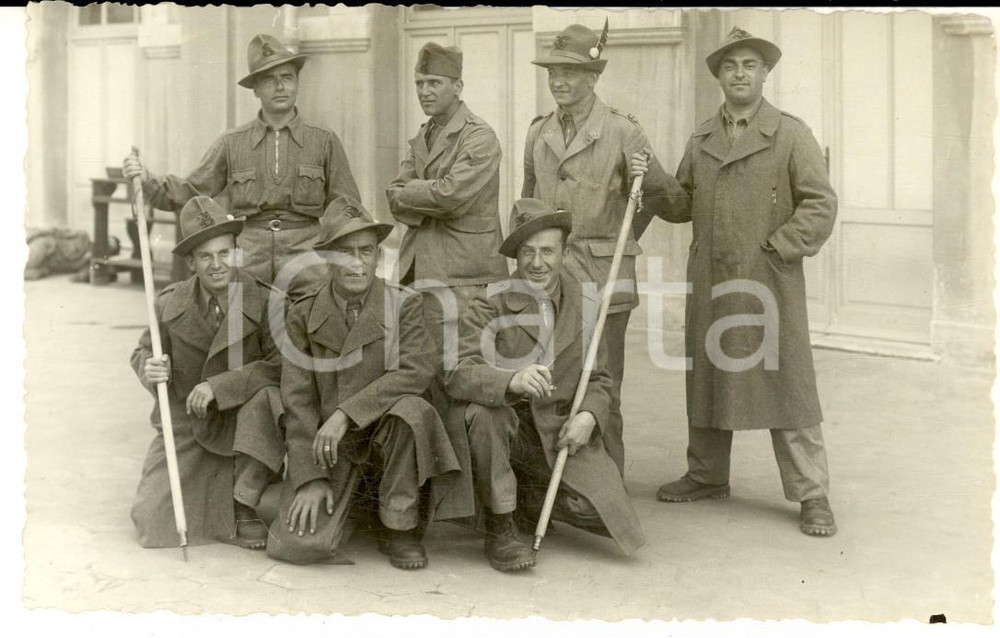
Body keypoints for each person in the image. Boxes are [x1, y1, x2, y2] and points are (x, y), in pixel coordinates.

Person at [655, 28, 839, 537]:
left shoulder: (791, 133)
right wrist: (647, 178)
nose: (740, 74)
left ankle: (812, 493)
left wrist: (781, 246)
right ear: (718, 76)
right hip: (713, 278)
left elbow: (821, 203)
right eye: (730, 66)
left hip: (768, 281)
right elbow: (680, 203)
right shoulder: (701, 138)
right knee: (710, 374)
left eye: (750, 65)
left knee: (788, 381)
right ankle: (707, 475)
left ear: (764, 74)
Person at [522, 23, 687, 476]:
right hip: (547, 276)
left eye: (571, 72)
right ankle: (560, 484)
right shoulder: (538, 133)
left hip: (603, 277)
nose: (559, 80)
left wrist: (624, 233)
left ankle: (608, 487)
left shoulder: (623, 132)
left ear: (593, 77)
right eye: (553, 71)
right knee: (551, 376)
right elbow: (527, 205)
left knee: (601, 384)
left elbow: (667, 199)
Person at [446, 198, 646, 572]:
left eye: (548, 251)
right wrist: (511, 380)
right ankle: (500, 526)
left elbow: (600, 378)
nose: (538, 263)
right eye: (527, 252)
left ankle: (531, 498)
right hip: (507, 428)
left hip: (555, 432)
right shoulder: (489, 303)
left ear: (565, 252)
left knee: (594, 512)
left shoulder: (586, 301)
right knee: (485, 416)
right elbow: (458, 372)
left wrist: (589, 415)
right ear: (515, 257)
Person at [266, 196, 462, 569]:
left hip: (384, 435)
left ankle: (399, 526)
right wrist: (309, 477)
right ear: (327, 258)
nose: (357, 263)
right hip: (330, 450)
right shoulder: (303, 313)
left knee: (412, 411)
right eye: (345, 253)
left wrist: (345, 414)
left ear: (378, 257)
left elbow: (416, 371)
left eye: (367, 251)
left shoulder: (404, 304)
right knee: (296, 546)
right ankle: (357, 506)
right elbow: (297, 398)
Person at [122, 34, 360, 295]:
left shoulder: (323, 140)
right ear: (255, 89)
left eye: (287, 77)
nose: (280, 87)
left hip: (307, 253)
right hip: (248, 252)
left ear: (297, 83)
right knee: (235, 323)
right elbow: (191, 190)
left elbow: (347, 211)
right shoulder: (232, 142)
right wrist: (147, 179)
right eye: (269, 80)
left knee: (314, 324)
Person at [130, 196, 284, 550]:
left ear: (237, 253)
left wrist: (222, 385)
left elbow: (282, 367)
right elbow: (143, 351)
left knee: (268, 399)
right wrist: (150, 368)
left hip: (242, 421)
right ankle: (218, 497)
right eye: (205, 256)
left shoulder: (266, 301)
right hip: (190, 421)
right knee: (153, 524)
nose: (217, 265)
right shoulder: (169, 303)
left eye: (224, 253)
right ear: (191, 262)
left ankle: (244, 503)